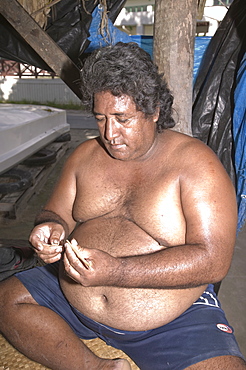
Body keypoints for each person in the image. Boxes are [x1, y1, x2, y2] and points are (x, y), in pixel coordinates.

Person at [0, 42, 245, 370]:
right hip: (70, 295)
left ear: (154, 110)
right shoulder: (84, 156)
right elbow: (55, 212)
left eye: (122, 118)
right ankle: (96, 366)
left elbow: (213, 261)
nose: (109, 133)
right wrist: (50, 229)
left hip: (171, 321)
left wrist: (118, 271)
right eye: (100, 118)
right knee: (7, 300)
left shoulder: (197, 166)